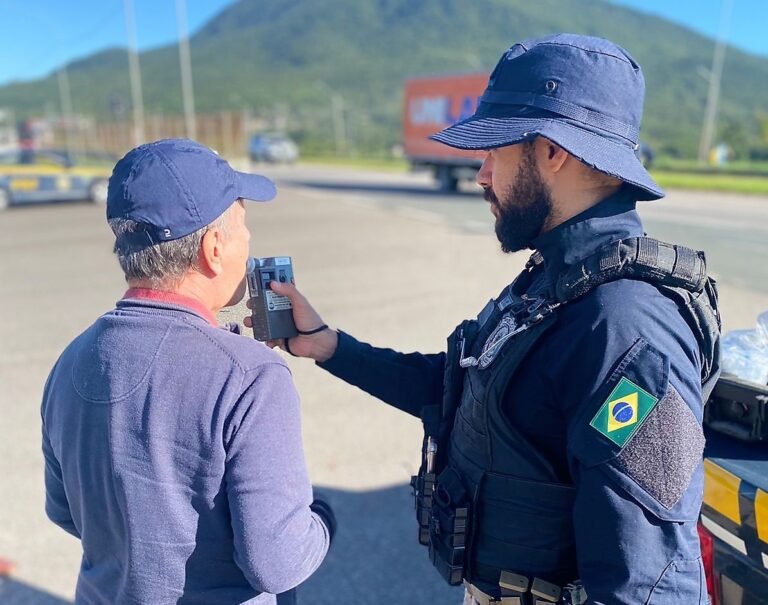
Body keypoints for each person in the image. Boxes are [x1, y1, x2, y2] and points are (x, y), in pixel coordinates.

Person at [254, 34, 720, 604]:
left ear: (554, 151)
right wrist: (330, 346)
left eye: (494, 151)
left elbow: (648, 585)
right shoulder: (557, 282)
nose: (480, 174)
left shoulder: (624, 327)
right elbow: (466, 394)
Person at [41, 138, 335, 604]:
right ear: (214, 248)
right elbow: (279, 560)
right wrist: (323, 517)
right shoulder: (251, 377)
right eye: (243, 225)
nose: (249, 241)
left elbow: (65, 512)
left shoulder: (72, 358)